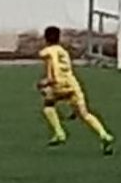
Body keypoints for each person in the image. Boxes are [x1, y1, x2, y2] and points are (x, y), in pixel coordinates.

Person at [37, 26, 115, 155]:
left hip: (59, 85)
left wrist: (48, 82)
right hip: (73, 85)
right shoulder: (63, 51)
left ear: (45, 38)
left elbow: (54, 68)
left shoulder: (48, 52)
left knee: (48, 106)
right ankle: (104, 135)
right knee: (85, 114)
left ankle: (59, 133)